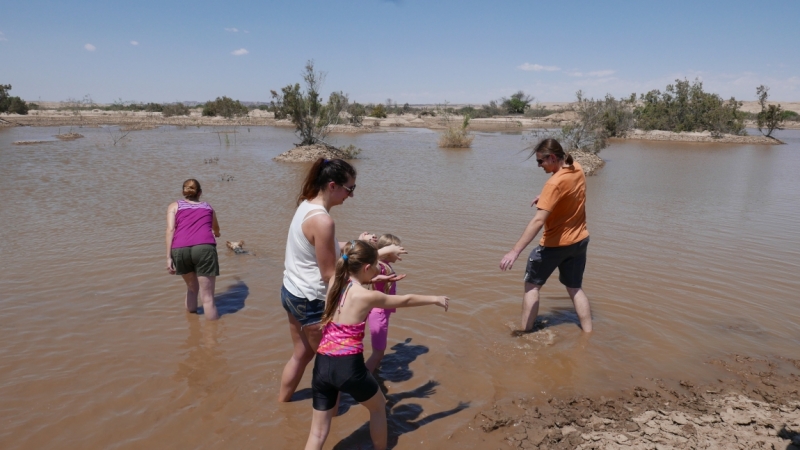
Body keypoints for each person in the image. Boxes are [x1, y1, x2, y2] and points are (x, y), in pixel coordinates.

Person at [280, 158, 405, 402]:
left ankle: (282, 405)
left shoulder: (306, 205)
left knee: (302, 354)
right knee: (333, 369)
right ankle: (331, 423)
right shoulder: (324, 220)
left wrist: (361, 249)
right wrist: (372, 265)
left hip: (291, 292)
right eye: (350, 189)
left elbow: (323, 247)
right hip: (312, 300)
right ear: (333, 185)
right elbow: (330, 275)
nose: (351, 195)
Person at [304, 240, 448, 450]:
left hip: (322, 364)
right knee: (379, 408)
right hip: (348, 368)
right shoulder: (367, 296)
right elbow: (405, 300)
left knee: (317, 433)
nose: (376, 271)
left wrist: (381, 253)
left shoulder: (335, 280)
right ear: (366, 267)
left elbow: (350, 260)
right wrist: (435, 298)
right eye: (375, 267)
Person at [499, 139, 593, 332]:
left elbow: (538, 221)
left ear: (551, 157)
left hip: (555, 245)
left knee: (532, 286)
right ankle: (588, 333)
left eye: (540, 161)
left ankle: (525, 333)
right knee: (575, 288)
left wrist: (514, 252)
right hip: (580, 241)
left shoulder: (554, 183)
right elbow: (571, 194)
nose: (539, 166)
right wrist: (546, 199)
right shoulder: (576, 168)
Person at [166, 179, 220, 320]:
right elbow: (216, 228)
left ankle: (192, 326)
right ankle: (212, 338)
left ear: (183, 192)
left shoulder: (174, 206)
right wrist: (217, 233)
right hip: (204, 248)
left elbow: (170, 229)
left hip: (180, 249)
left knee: (191, 289)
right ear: (200, 193)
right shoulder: (208, 207)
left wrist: (168, 257)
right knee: (207, 298)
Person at [365, 233, 403, 373]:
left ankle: (374, 375)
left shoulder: (385, 265)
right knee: (378, 353)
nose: (400, 253)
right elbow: (369, 266)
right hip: (379, 313)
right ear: (388, 253)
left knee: (380, 352)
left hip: (382, 312)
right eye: (397, 251)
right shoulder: (380, 267)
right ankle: (363, 381)